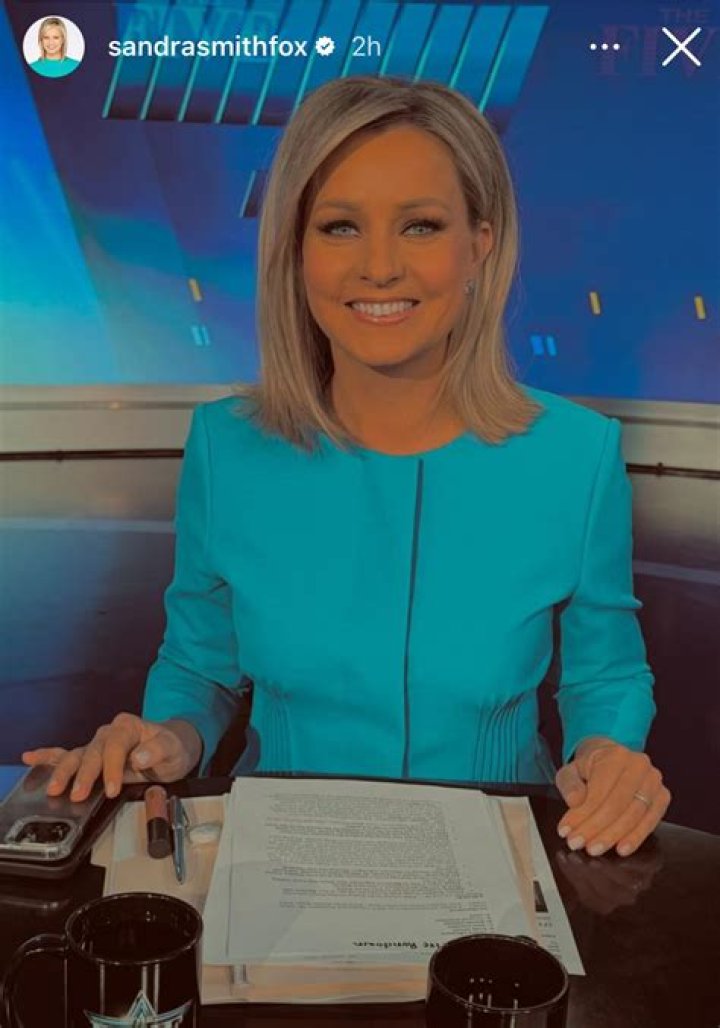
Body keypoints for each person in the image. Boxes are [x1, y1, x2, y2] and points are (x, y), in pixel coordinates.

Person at [23, 76, 671, 858]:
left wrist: (605, 754)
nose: (380, 267)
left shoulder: (576, 455)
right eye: (339, 227)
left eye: (421, 225)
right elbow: (201, 668)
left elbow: (604, 678)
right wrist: (166, 737)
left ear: (480, 243)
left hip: (498, 857)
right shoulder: (227, 449)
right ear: (296, 250)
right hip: (283, 860)